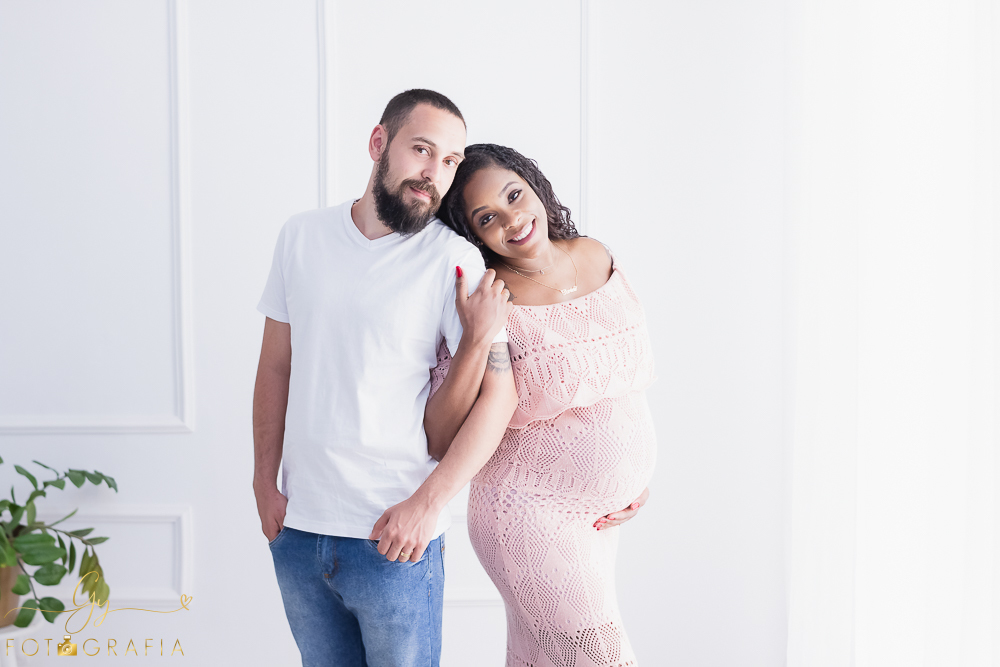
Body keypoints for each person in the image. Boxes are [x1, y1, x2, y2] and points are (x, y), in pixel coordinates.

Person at [252, 91, 517, 667]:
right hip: (297, 530)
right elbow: (276, 364)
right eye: (422, 150)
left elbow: (502, 395)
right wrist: (262, 480)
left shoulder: (455, 261)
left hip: (395, 541)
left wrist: (429, 504)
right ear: (379, 144)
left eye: (449, 161)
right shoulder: (301, 236)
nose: (434, 174)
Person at [431, 144, 657, 667]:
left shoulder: (597, 255)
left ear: (535, 184)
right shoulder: (489, 298)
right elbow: (444, 430)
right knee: (599, 658)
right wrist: (474, 335)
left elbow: (622, 381)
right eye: (488, 217)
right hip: (529, 514)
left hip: (599, 521)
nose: (513, 220)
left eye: (515, 195)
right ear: (474, 235)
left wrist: (629, 474)